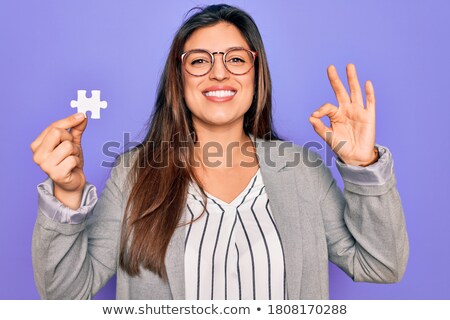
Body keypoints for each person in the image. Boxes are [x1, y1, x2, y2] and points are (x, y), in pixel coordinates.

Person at [30, 4, 408, 300]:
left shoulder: (301, 170)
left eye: (236, 59)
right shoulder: (134, 174)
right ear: (178, 79)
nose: (219, 73)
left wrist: (363, 166)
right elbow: (65, 293)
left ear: (256, 74)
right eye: (199, 61)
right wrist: (66, 193)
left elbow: (382, 264)